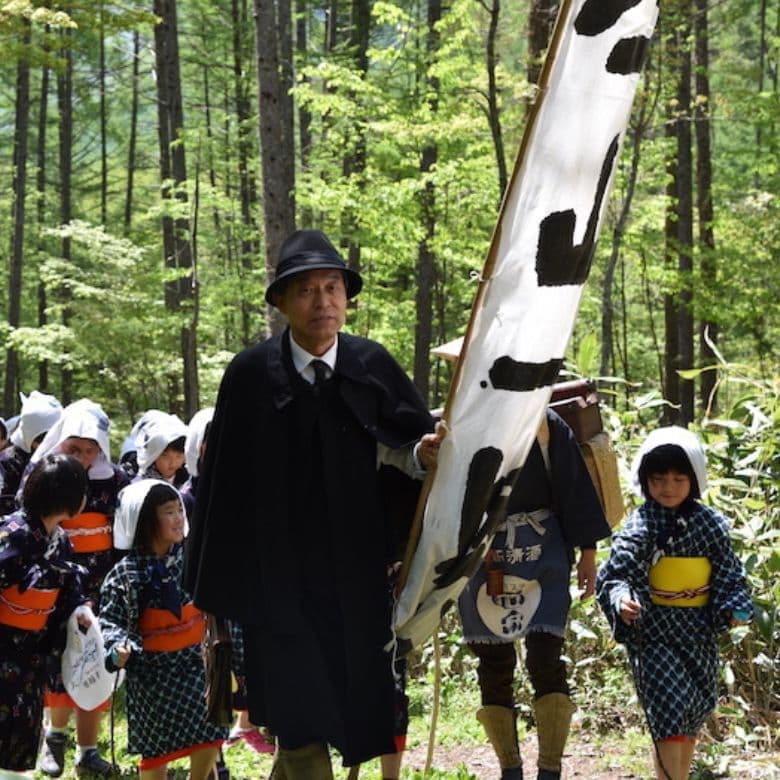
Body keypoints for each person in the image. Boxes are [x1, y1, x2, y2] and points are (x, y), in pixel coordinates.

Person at [184, 228, 441, 777]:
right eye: (305, 290)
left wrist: (425, 454)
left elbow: (408, 457)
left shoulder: (373, 366)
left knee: (353, 710)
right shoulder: (251, 376)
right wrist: (218, 592)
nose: (322, 302)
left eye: (332, 288)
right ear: (280, 302)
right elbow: (221, 489)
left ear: (347, 298)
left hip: (358, 583)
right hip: (278, 587)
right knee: (298, 722)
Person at [457, 409, 611, 780]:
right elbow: (449, 491)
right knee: (492, 664)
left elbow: (574, 486)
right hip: (484, 551)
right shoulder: (466, 420)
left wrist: (588, 552)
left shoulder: (546, 423)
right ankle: (509, 766)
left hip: (544, 549)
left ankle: (550, 767)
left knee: (546, 656)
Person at [596, 426, 752, 780]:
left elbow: (729, 574)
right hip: (653, 634)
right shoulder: (639, 524)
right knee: (669, 706)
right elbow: (617, 575)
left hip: (698, 634)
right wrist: (623, 601)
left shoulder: (711, 524)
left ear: (694, 480)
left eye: (679, 478)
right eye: (659, 478)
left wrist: (735, 606)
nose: (668, 487)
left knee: (693, 709)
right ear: (645, 480)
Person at [100, 479, 227, 779]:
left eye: (179, 510)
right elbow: (110, 621)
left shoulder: (192, 561)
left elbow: (218, 606)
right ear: (145, 522)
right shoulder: (125, 574)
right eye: (169, 512)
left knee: (210, 729)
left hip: (196, 665)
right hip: (152, 675)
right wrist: (118, 646)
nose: (179, 518)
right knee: (156, 749)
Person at [30, 399, 130, 778]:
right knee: (60, 660)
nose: (84, 457)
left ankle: (88, 749)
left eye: (91, 450)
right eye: (75, 449)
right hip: (59, 580)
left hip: (102, 582)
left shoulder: (117, 480)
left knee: (96, 659)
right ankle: (55, 737)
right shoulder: (46, 473)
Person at [0, 454, 90, 776]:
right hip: (4, 650)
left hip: (30, 657)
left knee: (21, 737)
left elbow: (68, 592)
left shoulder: (60, 542)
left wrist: (79, 610)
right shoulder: (12, 535)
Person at [0, 390, 62, 515]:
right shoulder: (8, 463)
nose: (49, 445)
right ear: (30, 436)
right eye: (43, 439)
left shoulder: (66, 455)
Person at [134, 412, 189, 487]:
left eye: (178, 456)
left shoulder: (189, 478)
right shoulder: (142, 484)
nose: (172, 463)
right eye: (165, 456)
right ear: (154, 454)